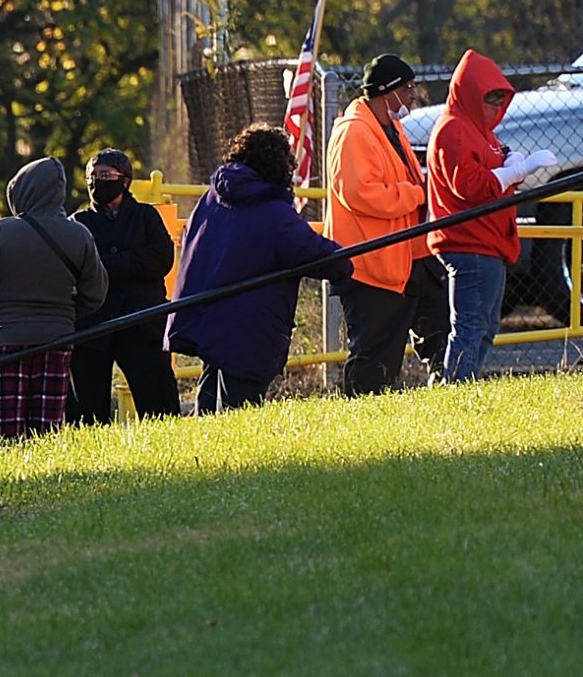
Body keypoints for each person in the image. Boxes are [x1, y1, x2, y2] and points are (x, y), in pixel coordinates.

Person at [165, 124, 354, 412]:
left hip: (207, 317)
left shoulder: (212, 198)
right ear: (280, 165)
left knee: (209, 397)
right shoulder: (272, 213)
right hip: (248, 329)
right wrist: (345, 263)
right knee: (241, 410)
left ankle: (201, 454)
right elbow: (314, 252)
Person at [426, 51, 552, 382]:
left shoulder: (478, 130)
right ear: (470, 94)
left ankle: (460, 385)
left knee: (484, 326)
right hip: (469, 242)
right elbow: (469, 184)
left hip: (485, 242)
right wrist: (519, 170)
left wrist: (513, 162)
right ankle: (456, 391)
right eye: (490, 98)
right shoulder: (454, 129)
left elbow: (496, 159)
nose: (497, 106)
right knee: (471, 326)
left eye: (500, 98)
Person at [328, 56, 449, 394]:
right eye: (407, 87)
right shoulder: (353, 131)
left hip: (408, 258)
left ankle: (449, 400)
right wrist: (416, 193)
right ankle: (360, 423)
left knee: (441, 331)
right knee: (375, 356)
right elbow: (360, 193)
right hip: (373, 265)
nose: (413, 94)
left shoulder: (389, 127)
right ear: (387, 91)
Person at [0, 156, 107, 439]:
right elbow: (96, 293)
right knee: (46, 431)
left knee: (5, 433)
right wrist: (63, 315)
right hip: (57, 340)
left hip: (6, 340)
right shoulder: (79, 235)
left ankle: (7, 480)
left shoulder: (1, 232)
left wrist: (0, 314)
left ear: (20, 191)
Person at [68, 151, 178, 420]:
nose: (96, 183)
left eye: (105, 176)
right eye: (91, 177)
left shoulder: (146, 217)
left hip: (143, 323)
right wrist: (129, 264)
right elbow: (74, 269)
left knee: (159, 407)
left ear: (125, 179)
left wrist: (104, 265)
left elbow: (161, 260)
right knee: (88, 414)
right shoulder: (78, 223)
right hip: (92, 327)